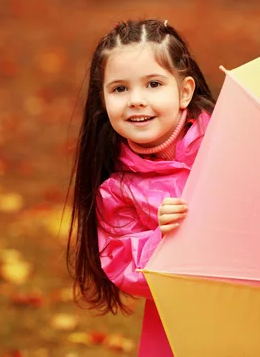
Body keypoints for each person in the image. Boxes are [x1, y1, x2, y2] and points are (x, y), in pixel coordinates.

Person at [67, 18, 216, 356]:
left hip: (256, 298)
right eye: (120, 89)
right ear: (102, 99)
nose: (136, 100)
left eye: (153, 84)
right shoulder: (118, 189)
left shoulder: (226, 144)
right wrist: (162, 237)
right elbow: (120, 262)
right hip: (181, 323)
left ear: (184, 92)